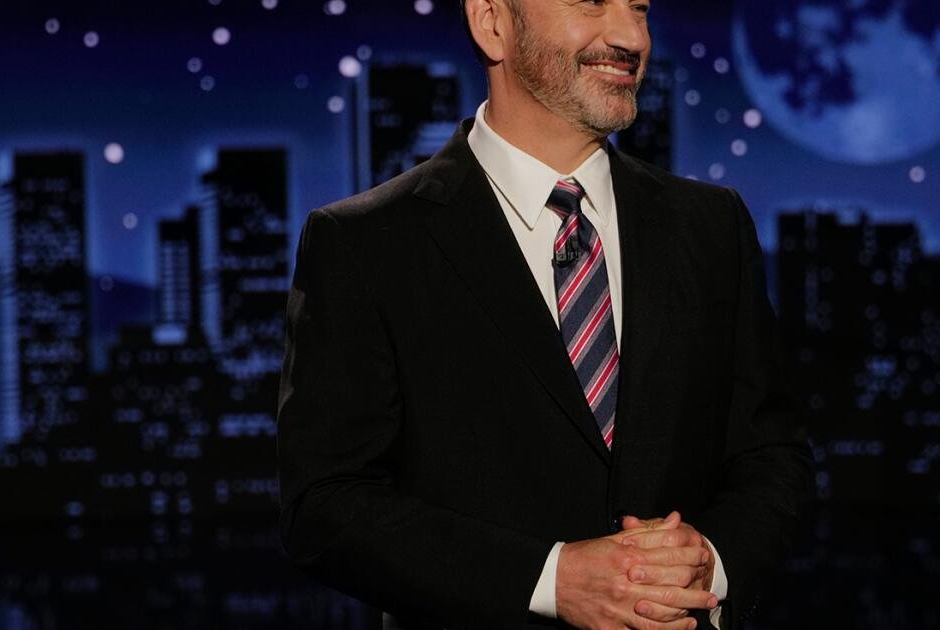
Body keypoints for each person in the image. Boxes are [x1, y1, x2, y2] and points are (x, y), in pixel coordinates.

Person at [274, 0, 815, 628]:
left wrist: (710, 566)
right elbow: (326, 505)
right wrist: (552, 579)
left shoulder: (712, 226)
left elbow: (772, 456)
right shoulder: (365, 244)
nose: (630, 36)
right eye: (591, 3)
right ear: (493, 22)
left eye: (639, 8)